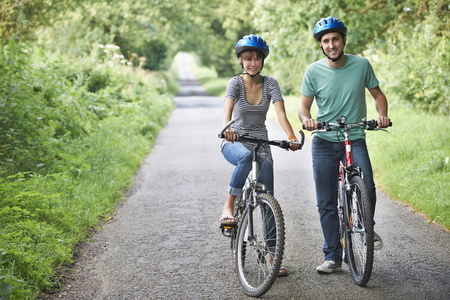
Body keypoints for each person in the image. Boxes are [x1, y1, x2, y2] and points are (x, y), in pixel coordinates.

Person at [298, 17, 390, 273]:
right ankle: (332, 256)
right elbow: (303, 108)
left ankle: (364, 226)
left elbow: (378, 95)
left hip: (354, 136)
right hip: (325, 141)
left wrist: (381, 114)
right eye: (325, 41)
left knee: (367, 186)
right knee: (326, 202)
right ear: (321, 44)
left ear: (343, 40)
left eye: (335, 39)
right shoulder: (313, 71)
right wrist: (307, 121)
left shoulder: (361, 65)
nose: (331, 44)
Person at [220, 34, 299, 276]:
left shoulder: (270, 83)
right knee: (244, 158)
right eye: (247, 59)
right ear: (241, 61)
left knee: (267, 199)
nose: (252, 63)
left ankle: (272, 256)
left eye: (257, 58)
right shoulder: (235, 83)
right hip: (235, 141)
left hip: (261, 142)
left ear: (262, 60)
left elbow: (281, 114)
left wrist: (291, 136)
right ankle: (228, 207)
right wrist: (228, 129)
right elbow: (228, 109)